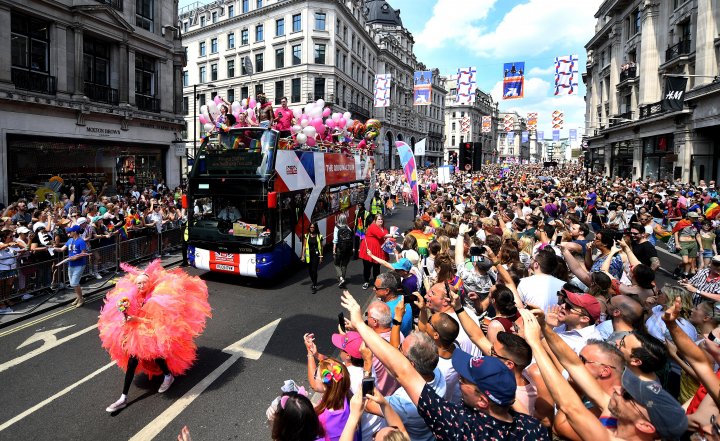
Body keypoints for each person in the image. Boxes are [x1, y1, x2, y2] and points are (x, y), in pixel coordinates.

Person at [340, 291, 550, 440]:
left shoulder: (459, 426)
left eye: (466, 380)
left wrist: (359, 324)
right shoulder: (533, 429)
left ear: (482, 401)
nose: (460, 379)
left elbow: (402, 371)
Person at [98, 260, 211, 412]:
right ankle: (123, 397)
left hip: (155, 330)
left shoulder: (156, 298)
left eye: (144, 283)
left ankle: (167, 375)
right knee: (133, 361)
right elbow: (132, 315)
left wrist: (136, 319)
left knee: (155, 354)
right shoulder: (134, 296)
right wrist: (126, 317)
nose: (141, 286)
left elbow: (156, 321)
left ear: (149, 283)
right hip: (137, 332)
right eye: (138, 284)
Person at [51, 225, 89, 306]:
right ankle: (79, 297)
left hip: (79, 265)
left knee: (74, 283)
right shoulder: (70, 240)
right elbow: (61, 249)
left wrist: (75, 258)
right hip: (71, 264)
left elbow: (84, 253)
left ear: (75, 232)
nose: (69, 232)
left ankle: (81, 299)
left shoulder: (81, 241)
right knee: (73, 283)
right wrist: (52, 248)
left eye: (70, 231)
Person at [358, 214, 390, 290]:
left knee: (377, 268)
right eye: (379, 219)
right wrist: (391, 236)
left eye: (381, 219)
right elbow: (381, 235)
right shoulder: (373, 227)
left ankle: (376, 283)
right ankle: (366, 281)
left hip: (378, 251)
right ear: (375, 220)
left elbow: (385, 236)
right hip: (368, 250)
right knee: (367, 267)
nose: (380, 221)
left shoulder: (384, 228)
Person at [333, 214, 354, 288]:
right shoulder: (348, 227)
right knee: (344, 264)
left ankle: (341, 278)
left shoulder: (337, 227)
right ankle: (342, 279)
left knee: (336, 263)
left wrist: (334, 249)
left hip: (340, 248)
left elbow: (335, 240)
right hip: (348, 249)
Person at [302, 223, 323, 293]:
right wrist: (302, 255)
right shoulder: (306, 235)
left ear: (315, 228)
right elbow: (304, 246)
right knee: (310, 271)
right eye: (311, 227)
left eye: (313, 227)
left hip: (316, 255)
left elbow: (321, 247)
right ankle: (314, 281)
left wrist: (321, 257)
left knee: (314, 270)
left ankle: (314, 285)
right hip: (309, 256)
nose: (312, 228)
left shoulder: (319, 236)